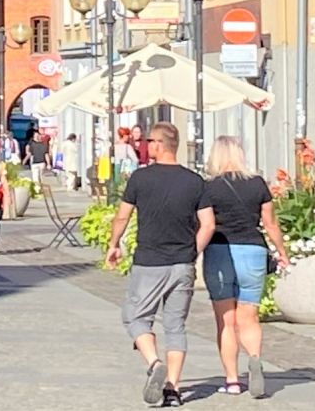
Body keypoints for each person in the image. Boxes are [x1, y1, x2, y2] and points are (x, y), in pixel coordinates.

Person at [107, 122, 215, 408]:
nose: (146, 145)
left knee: (135, 316)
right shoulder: (195, 181)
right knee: (176, 326)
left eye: (150, 141)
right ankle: (173, 390)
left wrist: (114, 244)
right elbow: (208, 224)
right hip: (182, 263)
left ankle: (155, 364)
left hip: (149, 261)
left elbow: (122, 216)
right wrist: (193, 252)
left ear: (159, 144)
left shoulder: (140, 179)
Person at [202, 136, 289, 398]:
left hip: (220, 251)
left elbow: (204, 223)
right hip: (253, 250)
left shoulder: (209, 188)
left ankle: (232, 380)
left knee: (226, 321)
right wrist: (282, 252)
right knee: (249, 317)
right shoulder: (257, 183)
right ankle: (254, 357)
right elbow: (270, 223)